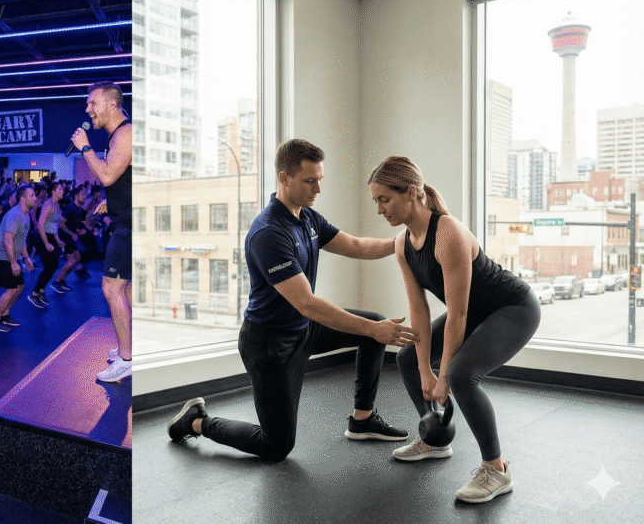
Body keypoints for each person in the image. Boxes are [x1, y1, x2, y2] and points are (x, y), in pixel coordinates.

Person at [166, 139, 418, 461]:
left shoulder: (308, 218)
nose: (318, 189)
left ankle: (362, 419)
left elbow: (356, 246)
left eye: (319, 180)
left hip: (303, 329)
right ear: (284, 178)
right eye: (310, 181)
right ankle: (196, 421)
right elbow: (307, 303)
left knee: (372, 327)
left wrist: (404, 241)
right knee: (275, 446)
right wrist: (373, 329)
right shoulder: (268, 233)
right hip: (270, 344)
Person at [368, 156, 539, 503]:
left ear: (411, 192)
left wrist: (443, 375)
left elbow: (457, 314)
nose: (379, 209)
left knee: (460, 375)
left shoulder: (448, 233)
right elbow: (419, 309)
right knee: (407, 358)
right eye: (376, 201)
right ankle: (434, 439)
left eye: (385, 199)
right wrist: (425, 371)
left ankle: (496, 469)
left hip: (513, 308)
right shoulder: (403, 244)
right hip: (473, 312)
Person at [69, 81, 133, 382]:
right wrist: (113, 203)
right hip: (127, 218)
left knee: (111, 288)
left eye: (93, 103)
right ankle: (130, 348)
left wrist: (85, 147)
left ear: (112, 104)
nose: (88, 109)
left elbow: (107, 175)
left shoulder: (126, 133)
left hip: (130, 226)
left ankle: (126, 359)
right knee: (127, 291)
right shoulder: (120, 135)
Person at [0, 184, 36, 333]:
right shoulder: (15, 215)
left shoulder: (25, 214)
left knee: (20, 286)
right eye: (32, 195)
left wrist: (26, 257)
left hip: (10, 256)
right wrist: (14, 263)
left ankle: (5, 315)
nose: (35, 198)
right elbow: (8, 240)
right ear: (23, 198)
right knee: (11, 289)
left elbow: (21, 239)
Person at [29, 182, 65, 308]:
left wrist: (57, 239)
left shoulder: (56, 205)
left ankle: (41, 291)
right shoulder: (48, 204)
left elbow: (53, 225)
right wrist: (46, 243)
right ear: (53, 191)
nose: (63, 191)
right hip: (41, 238)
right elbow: (40, 224)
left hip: (49, 237)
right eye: (60, 189)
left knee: (53, 266)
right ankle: (34, 294)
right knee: (49, 267)